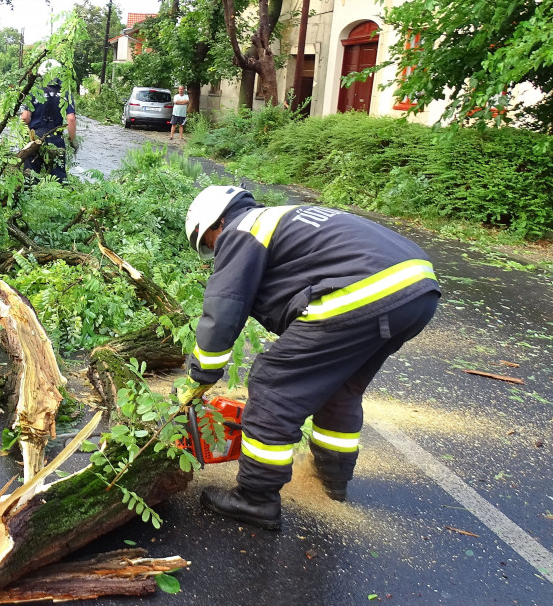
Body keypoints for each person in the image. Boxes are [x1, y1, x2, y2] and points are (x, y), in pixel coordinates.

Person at [178, 186, 440, 530]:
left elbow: (224, 306)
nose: (215, 251)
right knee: (339, 388)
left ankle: (255, 498)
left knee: (274, 386)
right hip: (417, 290)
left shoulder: (242, 229)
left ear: (217, 221)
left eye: (209, 243)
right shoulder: (282, 219)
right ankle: (332, 481)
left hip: (364, 290)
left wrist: (201, 376)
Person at [20, 60, 76, 182]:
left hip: (35, 138)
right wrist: (72, 141)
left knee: (30, 177)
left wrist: (26, 136)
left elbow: (25, 117)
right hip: (56, 139)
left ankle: (30, 198)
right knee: (58, 180)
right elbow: (71, 119)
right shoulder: (65, 94)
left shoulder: (34, 92)